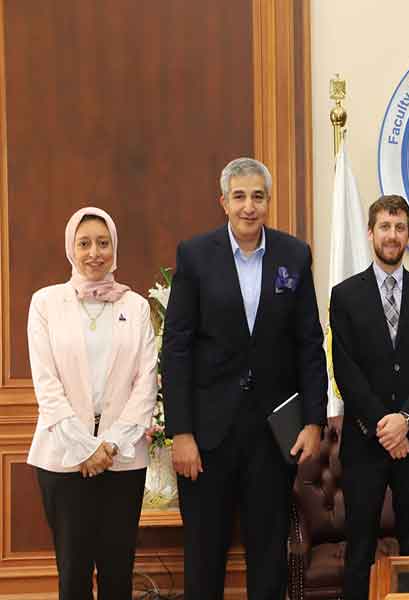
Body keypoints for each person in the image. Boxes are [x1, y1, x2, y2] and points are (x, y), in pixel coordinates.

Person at [162, 157, 327, 600]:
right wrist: (180, 432)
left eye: (257, 196)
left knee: (268, 561)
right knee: (203, 559)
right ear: (223, 202)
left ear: (268, 202)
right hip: (206, 437)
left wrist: (314, 421)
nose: (249, 206)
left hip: (272, 438)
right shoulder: (194, 256)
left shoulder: (294, 254)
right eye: (239, 197)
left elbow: (310, 343)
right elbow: (176, 349)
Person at [27, 207, 158, 600]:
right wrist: (85, 448)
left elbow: (145, 383)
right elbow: (47, 385)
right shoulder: (46, 303)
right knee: (74, 572)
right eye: (84, 243)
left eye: (103, 243)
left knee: (119, 572)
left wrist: (110, 446)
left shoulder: (134, 307)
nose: (94, 252)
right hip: (63, 460)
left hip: (123, 460)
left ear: (114, 248)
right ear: (71, 247)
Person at [330, 194, 409, 600]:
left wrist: (406, 422)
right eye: (385, 226)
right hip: (365, 444)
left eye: (400, 228)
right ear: (370, 233)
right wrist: (384, 425)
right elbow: (345, 370)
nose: (392, 235)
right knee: (359, 550)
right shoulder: (344, 296)